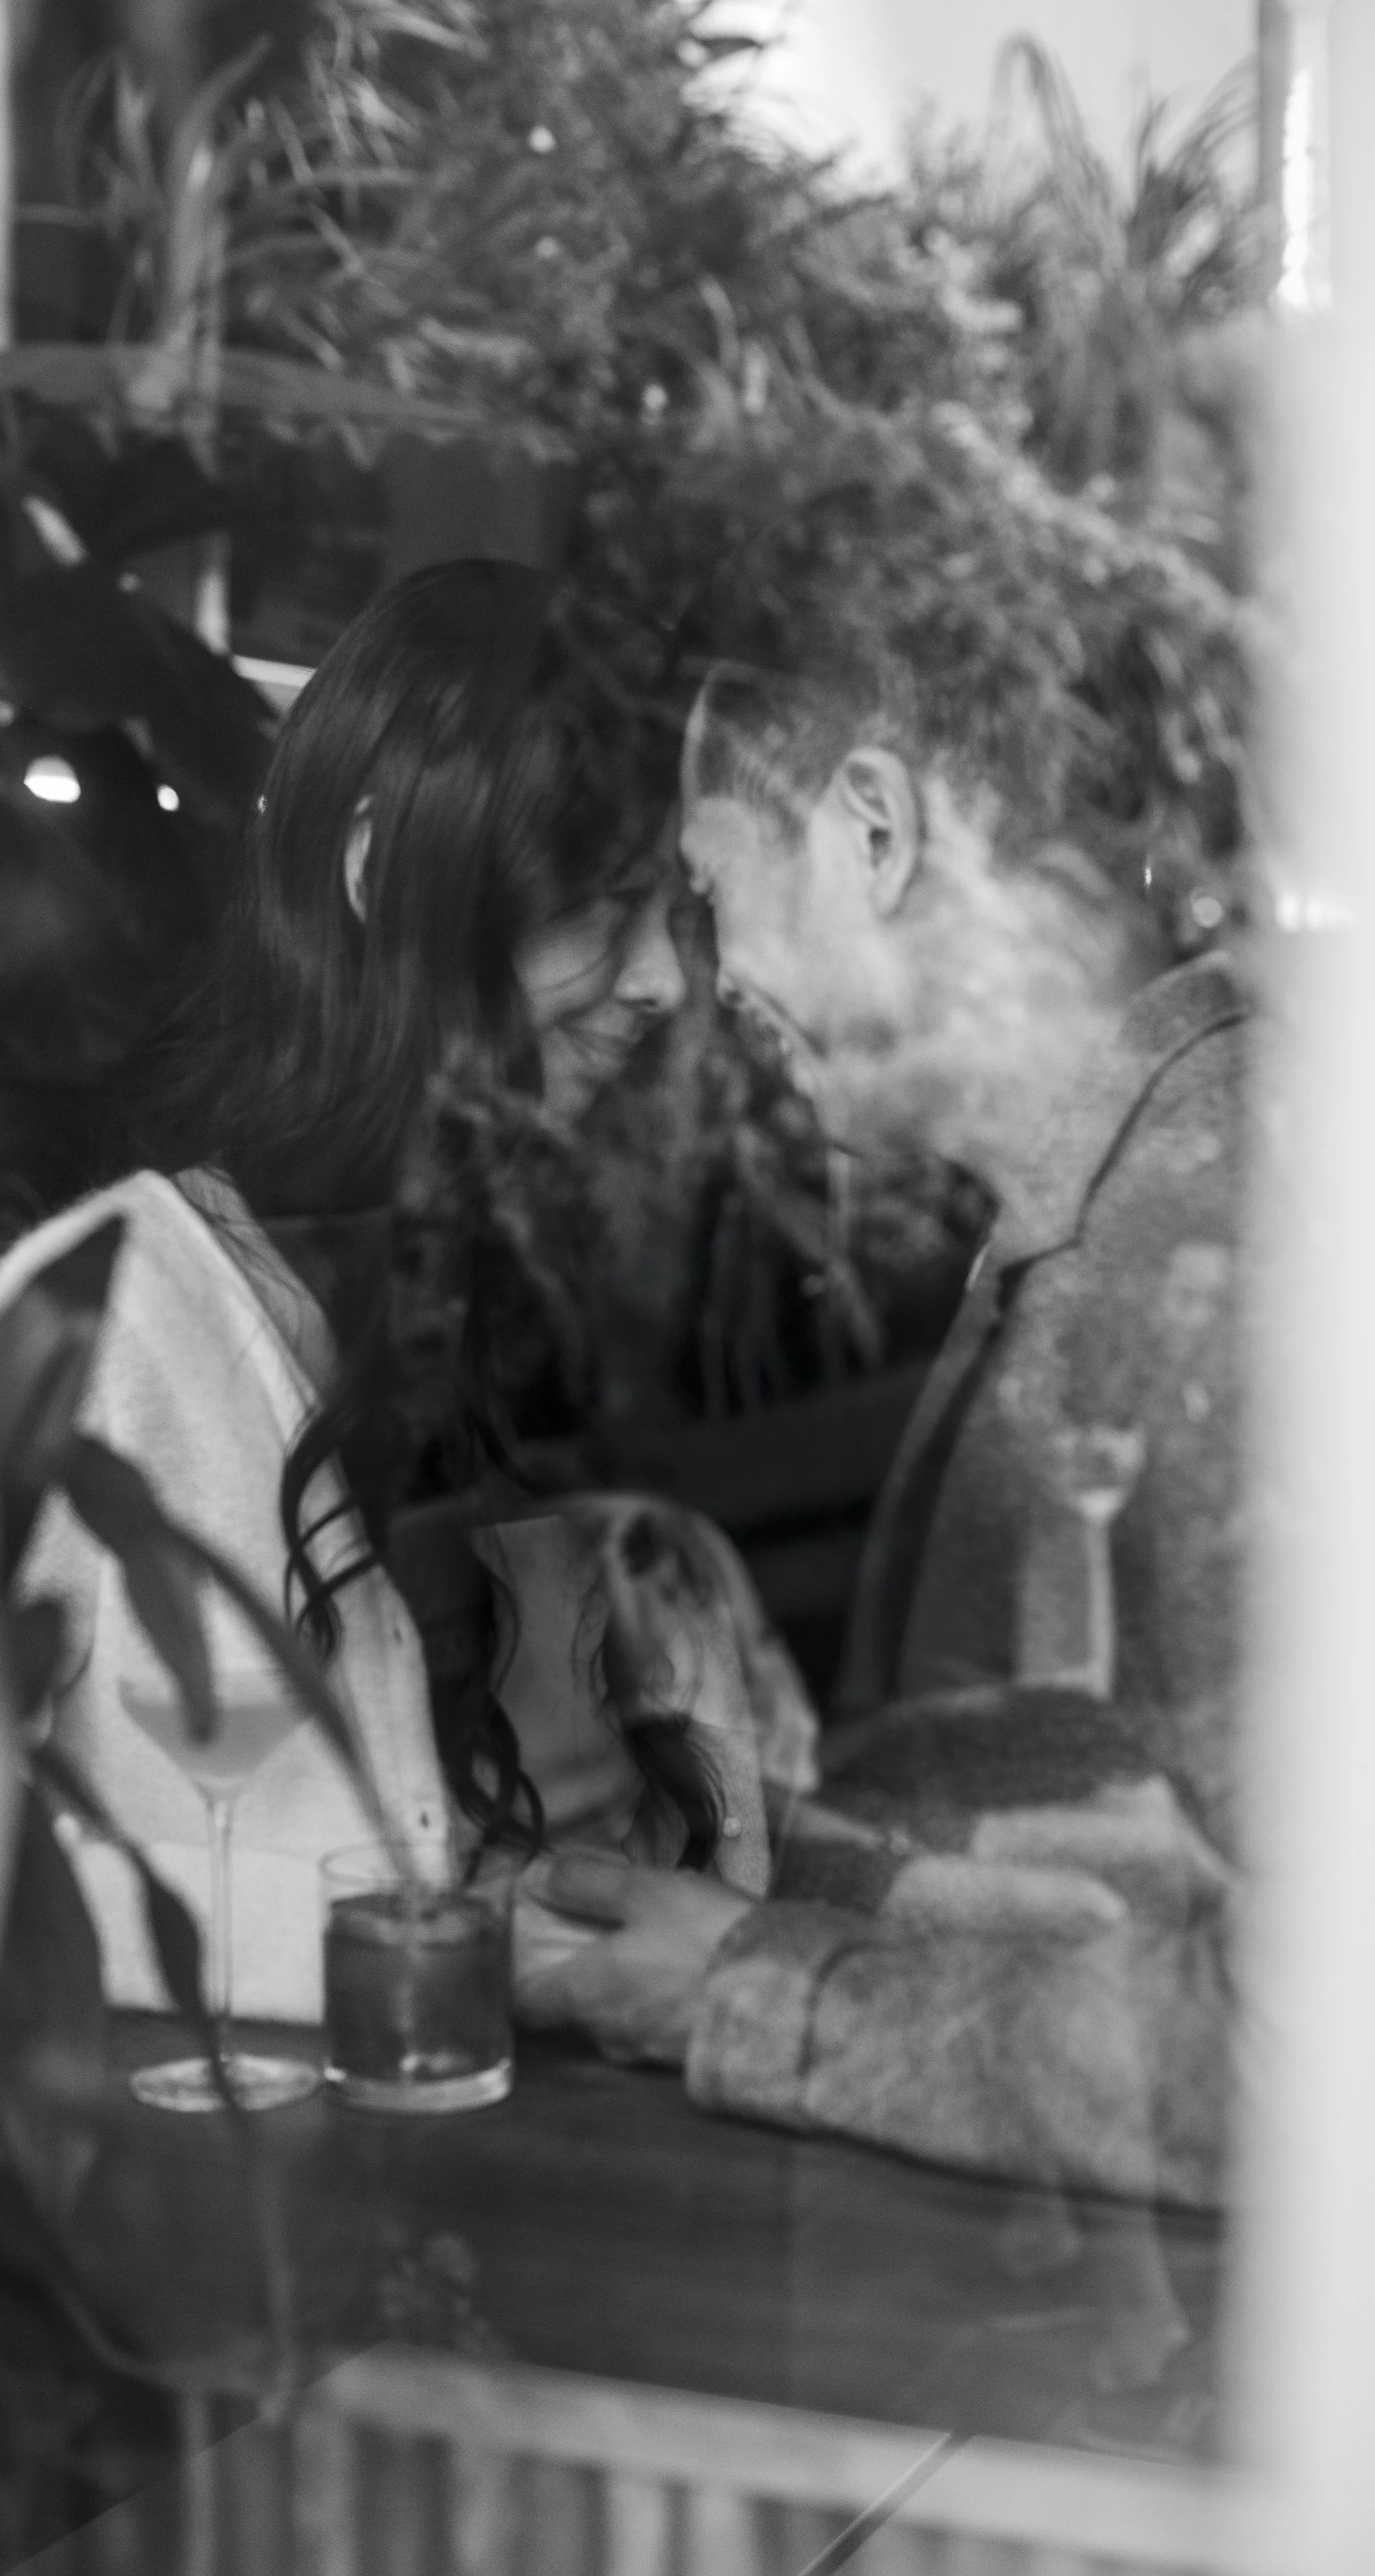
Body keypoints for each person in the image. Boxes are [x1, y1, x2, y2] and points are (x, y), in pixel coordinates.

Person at [0, 561, 819, 2020]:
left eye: (680, 916)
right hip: (292, 2224)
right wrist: (405, 1946)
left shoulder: (598, 1295)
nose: (663, 984)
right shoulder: (110, 1328)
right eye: (604, 909)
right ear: (380, 874)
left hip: (624, 2211)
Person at [516, 641, 1251, 2212]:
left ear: (870, 831)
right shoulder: (1123, 1205)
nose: (705, 977)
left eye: (712, 894)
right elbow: (1120, 1866)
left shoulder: (1203, 1243)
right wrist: (779, 1862)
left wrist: (756, 2000)